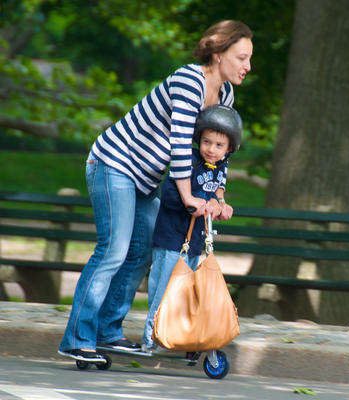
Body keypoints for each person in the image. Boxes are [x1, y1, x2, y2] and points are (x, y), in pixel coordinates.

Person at [58, 20, 252, 363]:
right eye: (241, 57)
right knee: (113, 251)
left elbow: (221, 151)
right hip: (114, 163)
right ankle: (78, 338)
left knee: (144, 250)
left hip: (145, 180)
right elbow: (180, 143)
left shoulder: (225, 95)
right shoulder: (189, 80)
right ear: (219, 53)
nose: (247, 66)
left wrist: (217, 196)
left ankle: (108, 332)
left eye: (249, 59)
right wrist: (189, 197)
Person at [142, 105, 242, 352]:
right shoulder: (187, 161)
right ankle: (151, 338)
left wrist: (221, 205)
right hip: (171, 238)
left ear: (228, 149)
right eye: (207, 142)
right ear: (199, 140)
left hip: (195, 241)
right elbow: (169, 196)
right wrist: (193, 204)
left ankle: (179, 334)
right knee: (164, 289)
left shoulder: (220, 167)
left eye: (219, 145)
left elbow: (216, 195)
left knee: (188, 292)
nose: (211, 149)